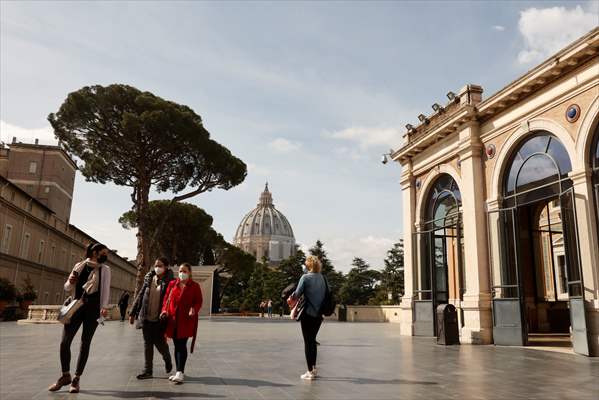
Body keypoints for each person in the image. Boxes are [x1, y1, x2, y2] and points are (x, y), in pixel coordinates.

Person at [49, 243, 111, 393]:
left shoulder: (105, 269)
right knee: (65, 342)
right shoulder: (79, 266)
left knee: (85, 343)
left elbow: (105, 290)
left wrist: (104, 307)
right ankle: (65, 376)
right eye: (103, 253)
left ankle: (76, 379)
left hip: (93, 310)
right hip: (75, 307)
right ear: (95, 252)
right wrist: (70, 281)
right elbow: (67, 288)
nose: (105, 256)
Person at [129, 257, 174, 379]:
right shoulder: (149, 279)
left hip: (160, 318)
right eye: (156, 265)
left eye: (160, 265)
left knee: (160, 344)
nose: (157, 268)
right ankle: (148, 370)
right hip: (146, 317)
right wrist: (132, 313)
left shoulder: (171, 282)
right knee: (147, 344)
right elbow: (140, 294)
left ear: (166, 267)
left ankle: (167, 358)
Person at [161, 263, 203, 384]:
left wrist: (194, 309)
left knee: (181, 345)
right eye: (180, 271)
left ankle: (180, 372)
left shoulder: (195, 286)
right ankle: (178, 371)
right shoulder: (172, 284)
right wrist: (164, 310)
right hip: (173, 320)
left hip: (186, 320)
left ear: (189, 273)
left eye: (184, 271)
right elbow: (166, 300)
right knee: (176, 345)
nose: (182, 273)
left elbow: (199, 301)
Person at [287, 255, 326, 380]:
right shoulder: (323, 278)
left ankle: (310, 371)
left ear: (308, 265)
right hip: (319, 315)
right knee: (312, 341)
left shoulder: (305, 277)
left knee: (308, 343)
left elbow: (297, 294)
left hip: (308, 314)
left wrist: (290, 298)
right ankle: (313, 369)